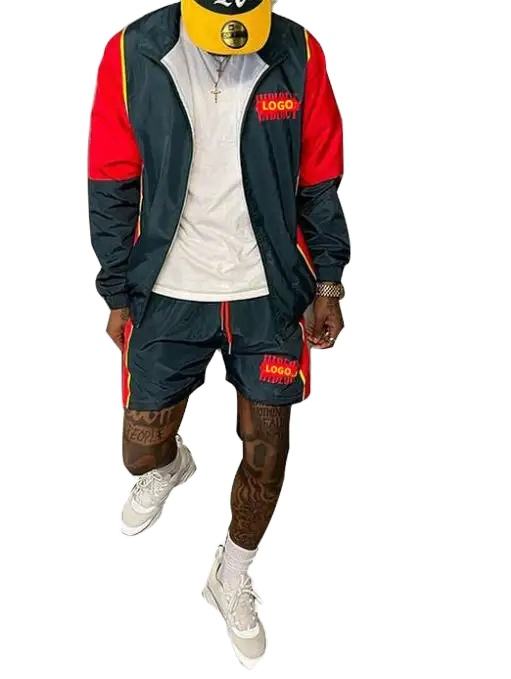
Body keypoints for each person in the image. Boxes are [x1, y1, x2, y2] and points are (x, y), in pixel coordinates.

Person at [88, 0, 349, 667]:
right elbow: (111, 179)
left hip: (269, 294)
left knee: (268, 448)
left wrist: (328, 282)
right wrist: (117, 289)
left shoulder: (299, 53)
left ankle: (230, 574)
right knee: (138, 450)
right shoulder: (131, 54)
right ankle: (170, 466)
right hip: (169, 290)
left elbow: (320, 178)